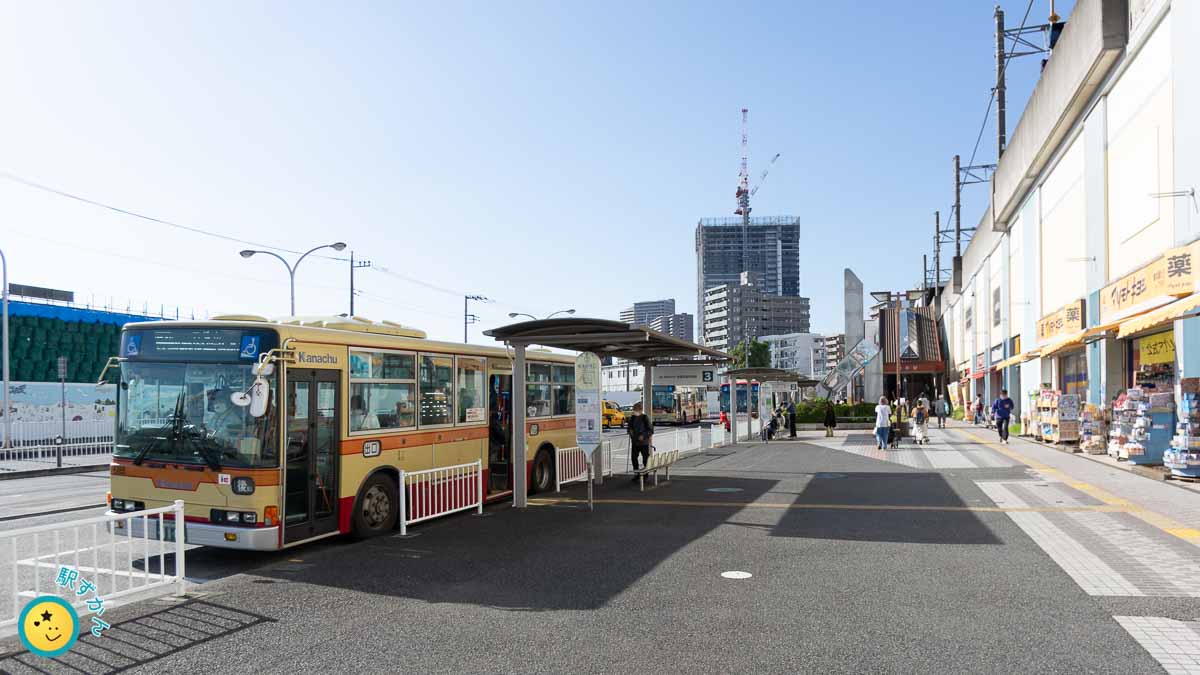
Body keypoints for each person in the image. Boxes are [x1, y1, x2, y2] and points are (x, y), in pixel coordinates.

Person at [627, 402, 653, 475]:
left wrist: (644, 436)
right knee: (634, 458)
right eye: (634, 409)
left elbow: (650, 430)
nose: (634, 411)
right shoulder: (632, 418)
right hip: (635, 442)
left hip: (644, 442)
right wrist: (630, 431)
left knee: (645, 459)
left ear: (641, 410)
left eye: (636, 409)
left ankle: (645, 474)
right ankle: (636, 474)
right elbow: (629, 428)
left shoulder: (645, 417)